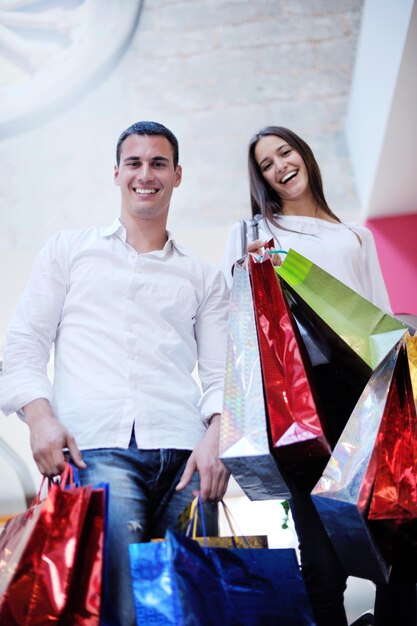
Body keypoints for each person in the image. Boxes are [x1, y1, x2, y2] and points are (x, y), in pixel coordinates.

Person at [0, 121, 230, 626]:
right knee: (117, 610)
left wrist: (217, 438)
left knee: (189, 611)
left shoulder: (204, 276)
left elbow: (221, 376)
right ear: (117, 173)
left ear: (178, 175)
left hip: (188, 458)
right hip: (99, 450)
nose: (145, 174)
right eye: (134, 162)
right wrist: (40, 418)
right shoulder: (69, 251)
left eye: (158, 163)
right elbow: (23, 345)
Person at [221, 126, 416, 626]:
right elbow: (237, 319)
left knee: (393, 528)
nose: (280, 166)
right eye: (266, 164)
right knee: (318, 545)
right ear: (260, 179)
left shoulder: (354, 234)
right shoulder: (254, 234)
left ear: (303, 154)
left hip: (366, 392)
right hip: (298, 399)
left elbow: (381, 317)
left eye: (284, 152)